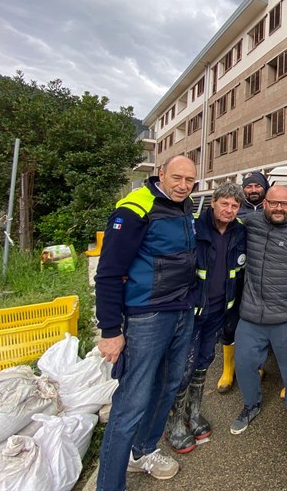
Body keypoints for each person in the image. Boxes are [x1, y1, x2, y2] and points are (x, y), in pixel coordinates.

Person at [94, 155, 198, 491]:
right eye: (177, 178)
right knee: (131, 402)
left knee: (168, 386)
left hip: (181, 310)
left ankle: (143, 452)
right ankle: (109, 484)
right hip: (147, 315)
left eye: (190, 181)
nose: (183, 186)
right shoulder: (135, 208)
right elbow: (108, 271)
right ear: (161, 174)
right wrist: (110, 330)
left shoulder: (185, 206)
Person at [230, 185, 287, 434]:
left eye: (284, 203)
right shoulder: (250, 223)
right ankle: (251, 405)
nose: (279, 208)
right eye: (273, 203)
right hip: (251, 312)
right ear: (264, 203)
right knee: (244, 364)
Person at [166, 182, 246, 453]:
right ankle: (175, 423)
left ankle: (194, 414)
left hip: (217, 311)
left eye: (235, 206)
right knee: (183, 367)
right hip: (190, 311)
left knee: (203, 362)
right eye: (225, 203)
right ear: (213, 203)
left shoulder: (239, 233)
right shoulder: (193, 229)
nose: (229, 209)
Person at [217, 170, 270, 392]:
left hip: (262, 280)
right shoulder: (236, 211)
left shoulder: (274, 209)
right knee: (229, 325)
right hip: (235, 279)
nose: (253, 190)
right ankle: (228, 369)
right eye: (249, 186)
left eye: (257, 186)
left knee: (257, 327)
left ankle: (256, 365)